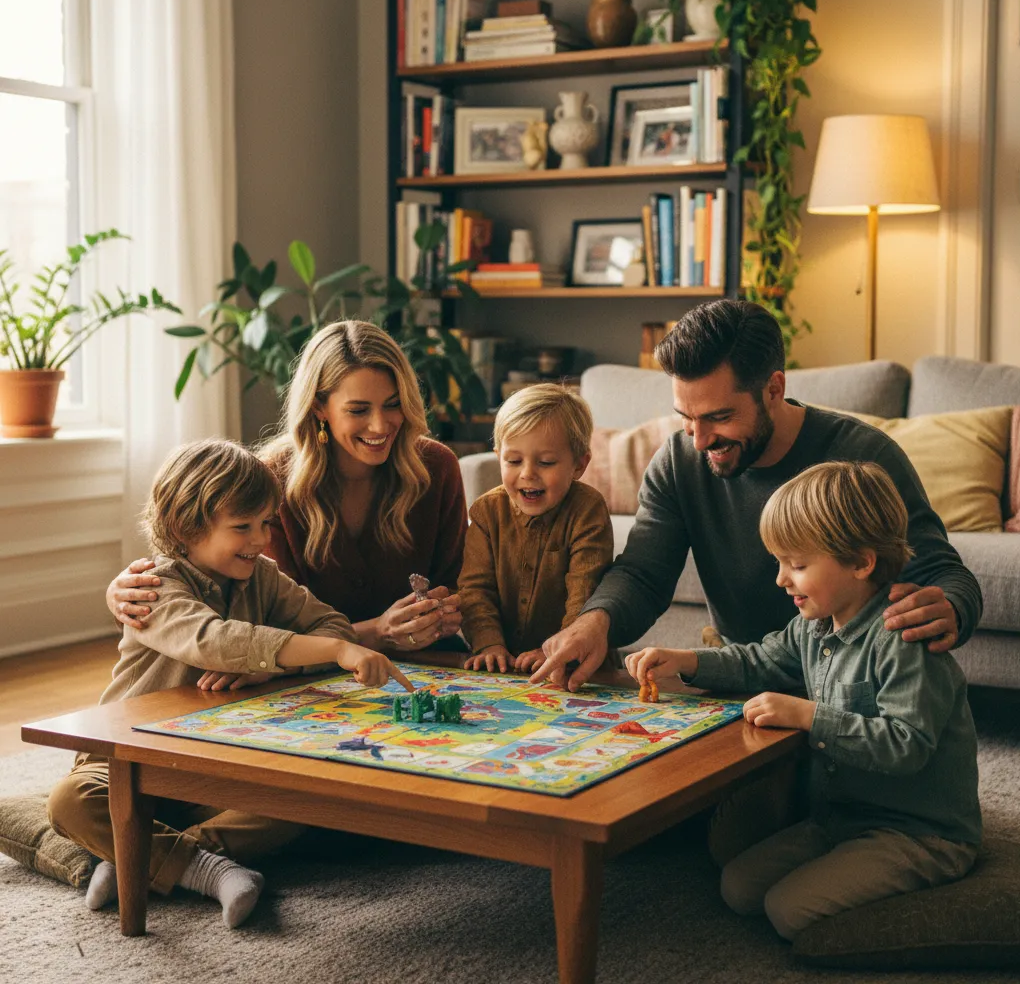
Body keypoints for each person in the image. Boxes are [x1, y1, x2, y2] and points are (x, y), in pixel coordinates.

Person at [48, 439, 412, 928]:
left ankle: (144, 855)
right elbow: (213, 641)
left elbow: (333, 625)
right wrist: (335, 653)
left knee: (309, 793)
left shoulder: (263, 577)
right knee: (69, 801)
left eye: (266, 522)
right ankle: (208, 870)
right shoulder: (152, 584)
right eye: (242, 526)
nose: (260, 538)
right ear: (184, 527)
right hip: (128, 758)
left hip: (218, 757)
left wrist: (274, 665)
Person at [531, 299, 982, 692]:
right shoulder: (678, 460)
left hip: (848, 687)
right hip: (737, 675)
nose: (700, 439)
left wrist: (952, 608)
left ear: (774, 389)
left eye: (719, 417)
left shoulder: (863, 455)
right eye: (686, 418)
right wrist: (596, 622)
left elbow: (943, 572)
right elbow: (643, 572)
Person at [625, 461, 981, 939]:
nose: (780, 580)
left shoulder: (902, 638)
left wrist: (809, 716)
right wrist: (686, 661)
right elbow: (759, 660)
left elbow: (907, 745)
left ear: (860, 562)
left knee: (789, 912)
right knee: (738, 887)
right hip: (839, 816)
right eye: (779, 563)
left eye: (796, 565)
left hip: (917, 831)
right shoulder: (814, 624)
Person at [105, 320, 467, 657]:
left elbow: (458, 583)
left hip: (427, 659)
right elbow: (265, 625)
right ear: (319, 407)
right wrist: (375, 633)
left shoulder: (436, 467)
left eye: (393, 405)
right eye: (358, 410)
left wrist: (444, 611)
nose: (379, 425)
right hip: (297, 673)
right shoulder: (270, 481)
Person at [460, 384, 614, 673]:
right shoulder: (485, 512)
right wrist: (488, 644)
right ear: (498, 457)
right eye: (513, 461)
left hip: (575, 665)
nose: (527, 473)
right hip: (503, 664)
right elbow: (474, 590)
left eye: (545, 462)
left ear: (579, 465)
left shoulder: (588, 510)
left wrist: (560, 649)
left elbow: (585, 588)